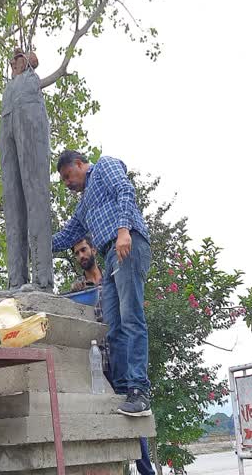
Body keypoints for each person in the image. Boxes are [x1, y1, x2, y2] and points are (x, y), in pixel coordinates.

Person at [53, 149, 152, 416]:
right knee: (113, 325)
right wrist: (36, 244)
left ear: (78, 164)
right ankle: (123, 388)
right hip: (110, 256)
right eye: (63, 180)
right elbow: (67, 236)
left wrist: (123, 231)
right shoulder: (85, 205)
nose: (67, 183)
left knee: (131, 317)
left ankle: (139, 390)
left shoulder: (104, 167)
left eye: (67, 176)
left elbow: (125, 190)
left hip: (127, 244)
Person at [68, 236, 155, 475]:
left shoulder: (114, 280)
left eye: (83, 250)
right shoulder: (77, 291)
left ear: (94, 250)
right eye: (76, 254)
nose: (81, 256)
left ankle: (146, 471)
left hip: (119, 359)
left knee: (132, 417)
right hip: (96, 365)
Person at [0, 48, 53, 293]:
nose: (13, 62)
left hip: (28, 113)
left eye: (17, 58)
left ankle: (42, 279)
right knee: (12, 202)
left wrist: (30, 59)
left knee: (35, 194)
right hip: (7, 119)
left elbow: (34, 60)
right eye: (12, 60)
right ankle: (15, 280)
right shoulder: (9, 88)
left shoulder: (31, 79)